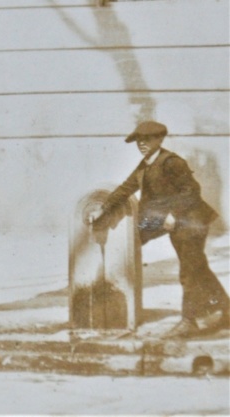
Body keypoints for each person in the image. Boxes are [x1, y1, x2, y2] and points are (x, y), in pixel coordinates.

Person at [90, 121, 229, 338]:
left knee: (189, 270)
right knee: (196, 266)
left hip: (191, 221)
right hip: (169, 220)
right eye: (139, 141)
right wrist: (103, 208)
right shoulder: (145, 164)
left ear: (160, 140)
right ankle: (227, 311)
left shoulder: (172, 162)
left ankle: (189, 321)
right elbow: (126, 187)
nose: (142, 144)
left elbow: (192, 190)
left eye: (148, 139)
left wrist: (175, 213)